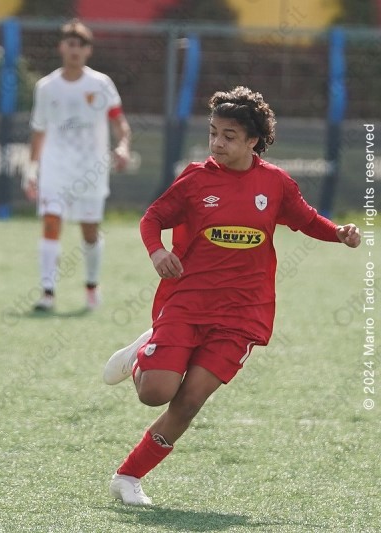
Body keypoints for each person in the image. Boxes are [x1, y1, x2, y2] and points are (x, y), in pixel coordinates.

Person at [103, 86, 361, 506]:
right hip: (188, 301)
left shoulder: (275, 183)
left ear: (252, 140)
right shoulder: (195, 179)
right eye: (213, 133)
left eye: (229, 136)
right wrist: (157, 252)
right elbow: (153, 217)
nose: (217, 143)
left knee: (189, 401)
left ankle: (128, 477)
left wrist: (339, 233)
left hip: (242, 314)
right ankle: (142, 354)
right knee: (155, 392)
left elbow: (306, 219)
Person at [22, 18, 131, 312]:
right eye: (70, 44)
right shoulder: (47, 87)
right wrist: (31, 171)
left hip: (91, 170)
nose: (75, 50)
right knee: (51, 223)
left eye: (81, 45)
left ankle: (92, 288)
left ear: (88, 51)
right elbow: (39, 131)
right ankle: (47, 294)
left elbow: (119, 122)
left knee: (90, 231)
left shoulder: (101, 84)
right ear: (61, 47)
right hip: (55, 169)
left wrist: (123, 146)